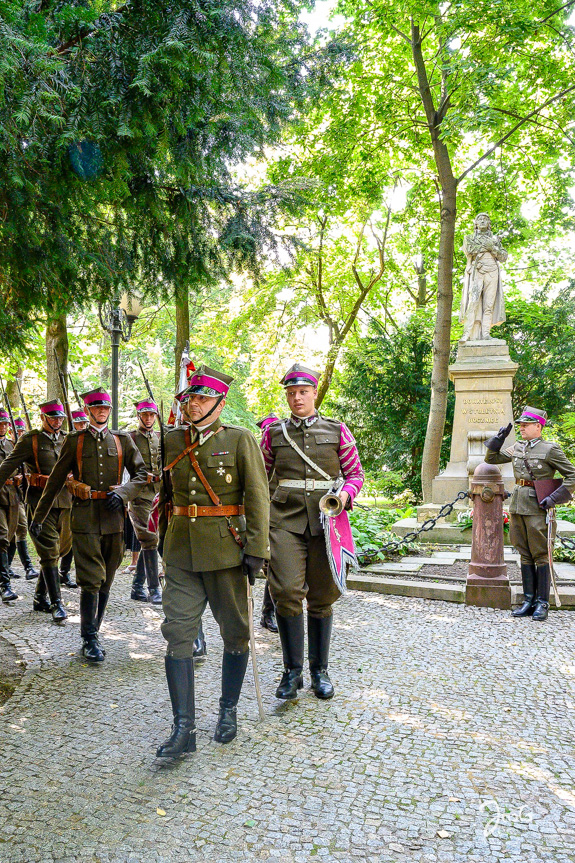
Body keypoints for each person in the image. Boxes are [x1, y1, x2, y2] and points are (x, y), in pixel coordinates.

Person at [156, 365, 270, 757]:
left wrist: (257, 550)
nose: (193, 404)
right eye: (190, 398)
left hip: (226, 552)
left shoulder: (240, 440)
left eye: (202, 398)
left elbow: (258, 497)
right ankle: (183, 728)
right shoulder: (171, 440)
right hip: (181, 552)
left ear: (220, 403)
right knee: (177, 632)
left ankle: (227, 711)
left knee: (235, 633)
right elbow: (167, 495)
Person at [260, 363, 364, 701]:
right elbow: (259, 477)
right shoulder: (274, 433)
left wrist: (345, 495)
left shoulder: (338, 430)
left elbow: (355, 474)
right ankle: (292, 672)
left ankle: (320, 670)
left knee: (322, 597)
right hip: (284, 520)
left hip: (326, 522)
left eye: (303, 392)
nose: (296, 398)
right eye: (291, 393)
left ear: (314, 393)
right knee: (287, 590)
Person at [31, 388, 148, 660]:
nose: (101, 411)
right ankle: (89, 638)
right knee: (91, 580)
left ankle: (95, 629)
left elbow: (142, 473)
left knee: (106, 579)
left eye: (105, 406)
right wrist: (38, 516)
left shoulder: (122, 440)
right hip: (84, 519)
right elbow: (56, 480)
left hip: (114, 519)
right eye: (96, 407)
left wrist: (123, 493)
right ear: (88, 409)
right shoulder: (76, 441)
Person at [485, 406, 575, 621]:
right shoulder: (517, 446)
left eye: (526, 425)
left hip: (538, 504)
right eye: (520, 425)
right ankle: (528, 600)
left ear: (538, 426)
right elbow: (492, 460)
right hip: (518, 504)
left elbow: (572, 475)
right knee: (524, 552)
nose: (522, 428)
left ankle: (542, 603)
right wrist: (497, 441)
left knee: (540, 553)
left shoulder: (550, 449)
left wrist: (554, 498)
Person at [0, 400, 74, 621]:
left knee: (59, 550)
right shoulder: (30, 440)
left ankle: (40, 597)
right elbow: (8, 465)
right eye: (52, 417)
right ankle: (57, 604)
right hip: (40, 503)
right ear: (42, 418)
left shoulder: (69, 439)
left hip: (66, 502)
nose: (57, 421)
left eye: (60, 418)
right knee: (49, 552)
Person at [128, 399, 162, 605]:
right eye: (145, 415)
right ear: (139, 416)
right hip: (139, 495)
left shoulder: (160, 437)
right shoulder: (130, 438)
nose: (148, 418)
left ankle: (137, 586)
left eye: (152, 415)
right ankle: (153, 589)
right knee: (149, 539)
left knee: (151, 540)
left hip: (157, 495)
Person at [255, 412, 280, 633]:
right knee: (270, 565)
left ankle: (270, 611)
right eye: (265, 430)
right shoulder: (258, 455)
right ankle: (268, 612)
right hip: (265, 513)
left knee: (275, 565)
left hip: (282, 513)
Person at [7, 417, 39, 581]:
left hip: (19, 495)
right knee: (11, 532)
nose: (20, 434)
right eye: (17, 431)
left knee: (20, 529)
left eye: (22, 431)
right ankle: (17, 567)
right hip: (6, 494)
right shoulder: (9, 446)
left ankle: (19, 567)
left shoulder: (26, 446)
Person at [0, 409, 19, 603]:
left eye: (5, 424)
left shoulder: (11, 444)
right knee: (2, 536)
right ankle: (5, 585)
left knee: (11, 537)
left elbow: (20, 466)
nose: (4, 426)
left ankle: (5, 572)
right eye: (1, 423)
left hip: (13, 495)